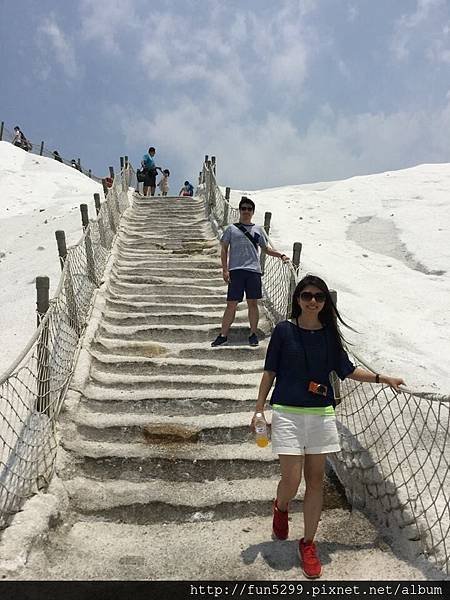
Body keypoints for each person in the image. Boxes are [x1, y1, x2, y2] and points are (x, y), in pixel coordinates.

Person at [251, 274, 405, 579]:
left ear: (325, 302)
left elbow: (346, 370)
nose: (312, 301)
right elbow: (270, 371)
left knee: (316, 480)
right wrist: (258, 408)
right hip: (287, 412)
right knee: (291, 480)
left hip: (320, 413)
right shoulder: (284, 331)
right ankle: (281, 507)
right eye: (307, 295)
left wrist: (381, 377)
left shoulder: (329, 336)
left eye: (319, 297)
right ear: (297, 298)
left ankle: (308, 543)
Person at [211, 197, 289, 348]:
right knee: (231, 304)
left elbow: (265, 249)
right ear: (240, 210)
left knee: (253, 303)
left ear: (253, 212)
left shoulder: (258, 229)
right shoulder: (231, 229)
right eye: (243, 208)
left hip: (253, 271)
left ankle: (253, 333)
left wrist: (281, 255)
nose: (246, 211)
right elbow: (224, 249)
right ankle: (223, 335)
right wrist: (225, 270)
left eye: (249, 209)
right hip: (236, 271)